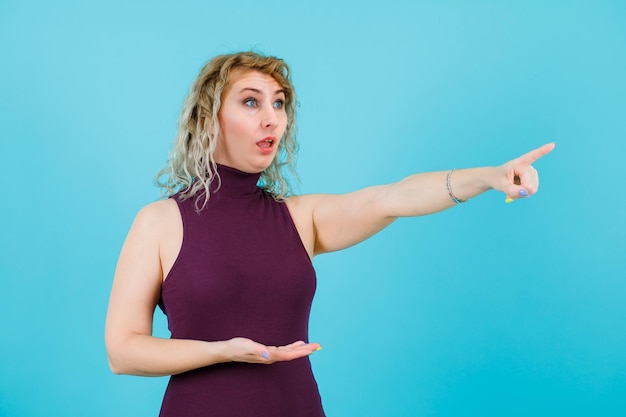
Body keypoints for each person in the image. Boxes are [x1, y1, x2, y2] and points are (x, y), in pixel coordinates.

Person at [105, 51, 555, 417]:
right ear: (209, 118)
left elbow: (391, 197)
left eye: (278, 103)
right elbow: (122, 351)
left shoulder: (301, 218)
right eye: (250, 101)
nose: (272, 119)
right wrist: (222, 351)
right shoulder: (159, 222)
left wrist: (491, 176)